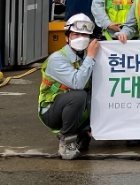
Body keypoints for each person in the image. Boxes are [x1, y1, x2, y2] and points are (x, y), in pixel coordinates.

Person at [39, 14, 98, 160]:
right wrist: (90, 57)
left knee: (97, 94)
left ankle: (82, 132)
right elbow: (77, 83)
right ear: (67, 37)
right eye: (75, 34)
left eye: (85, 35)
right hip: (52, 110)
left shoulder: (86, 56)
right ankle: (67, 141)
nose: (80, 38)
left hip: (75, 109)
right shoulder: (57, 59)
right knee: (79, 95)